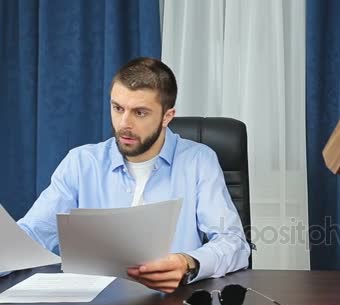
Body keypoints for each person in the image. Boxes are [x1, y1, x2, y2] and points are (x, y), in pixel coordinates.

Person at [4, 57, 250, 293]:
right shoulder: (81, 163)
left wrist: (188, 262)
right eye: (117, 108)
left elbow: (234, 243)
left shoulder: (198, 161)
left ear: (167, 116)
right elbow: (33, 234)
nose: (124, 123)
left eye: (140, 112)